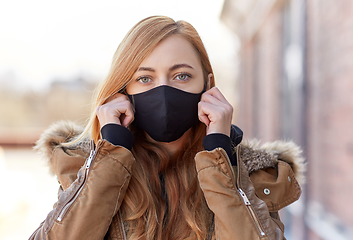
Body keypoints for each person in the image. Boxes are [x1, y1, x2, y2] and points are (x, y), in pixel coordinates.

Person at [29, 16, 305, 240]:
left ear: (208, 86)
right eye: (145, 78)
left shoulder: (251, 172)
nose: (163, 90)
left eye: (181, 76)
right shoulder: (85, 164)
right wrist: (110, 153)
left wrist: (221, 160)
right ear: (122, 91)